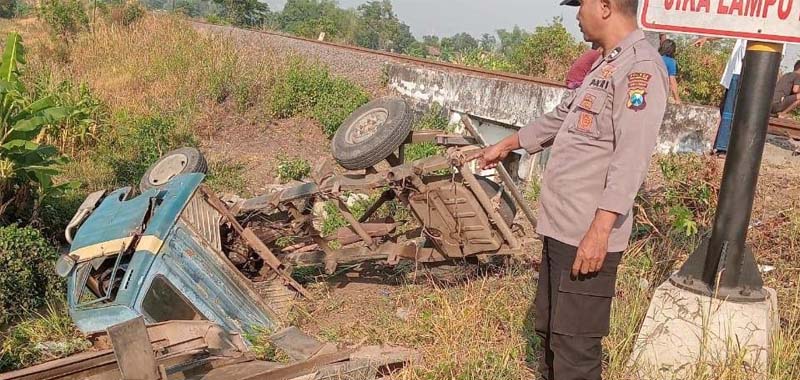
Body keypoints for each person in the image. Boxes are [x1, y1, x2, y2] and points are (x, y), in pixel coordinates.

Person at [470, 0, 668, 378]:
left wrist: (600, 231)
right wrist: (507, 144)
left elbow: (631, 158)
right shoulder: (603, 63)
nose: (577, 14)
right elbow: (563, 118)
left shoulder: (640, 69)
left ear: (606, 7)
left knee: (575, 346)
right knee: (550, 334)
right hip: (562, 228)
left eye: (582, 5)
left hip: (587, 235)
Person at [659, 39, 681, 104]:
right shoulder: (671, 62)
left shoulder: (654, 57)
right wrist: (677, 99)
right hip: (660, 94)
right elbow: (672, 82)